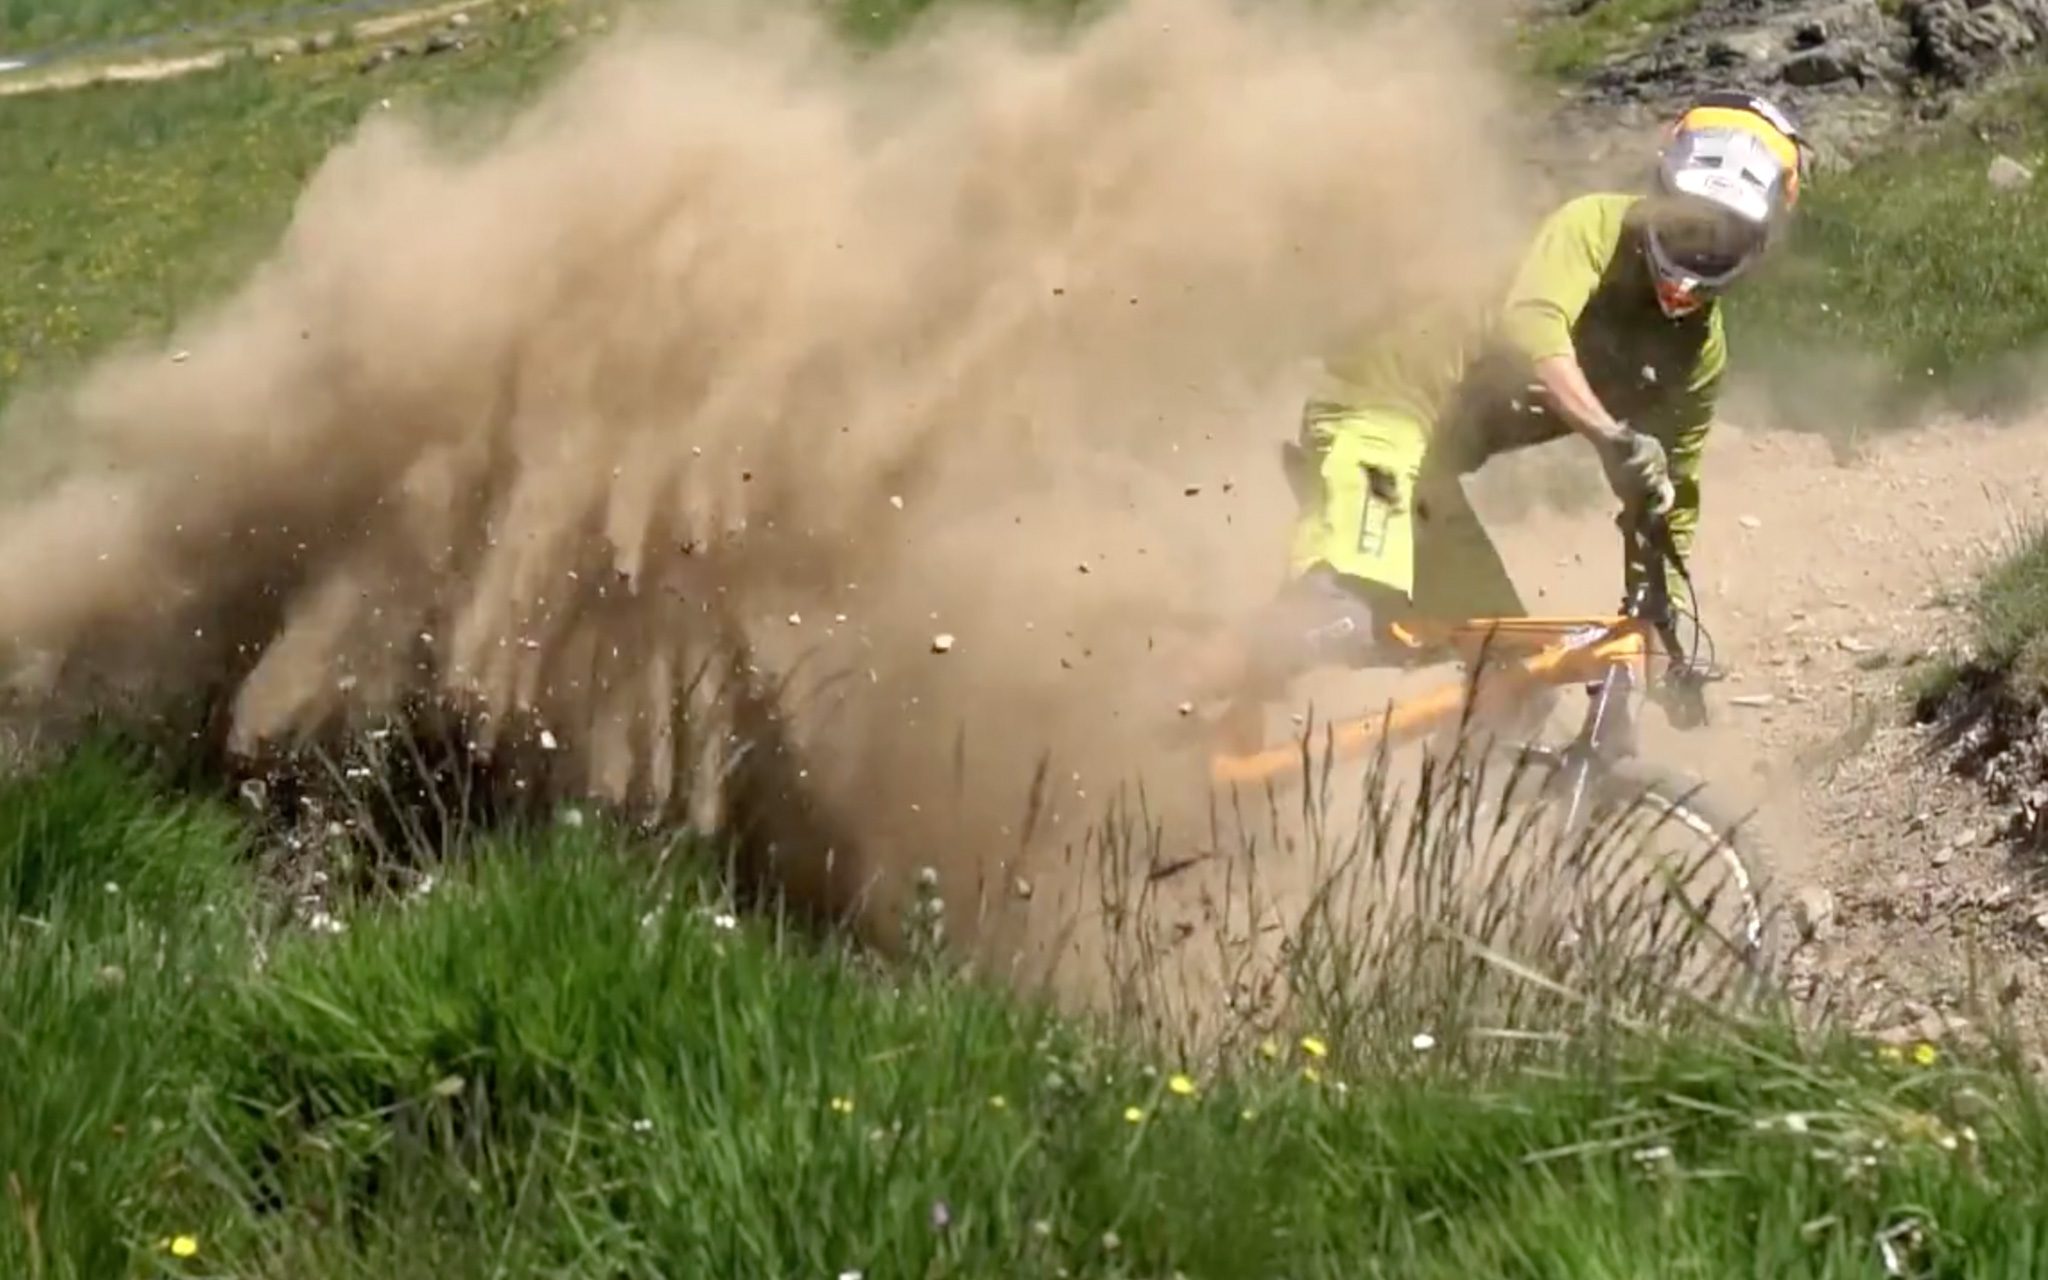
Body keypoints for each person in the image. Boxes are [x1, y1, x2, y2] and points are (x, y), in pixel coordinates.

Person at [1194, 90, 1811, 731]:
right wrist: (1607, 434)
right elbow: (1532, 328)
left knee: (1518, 680)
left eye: (1722, 239)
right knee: (1343, 606)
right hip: (1375, 416)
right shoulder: (1594, 226)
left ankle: (1453, 822)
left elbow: (1670, 500)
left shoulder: (1699, 351)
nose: (1691, 263)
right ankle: (1151, 692)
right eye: (1687, 223)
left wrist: (1665, 631)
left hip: (1427, 477)